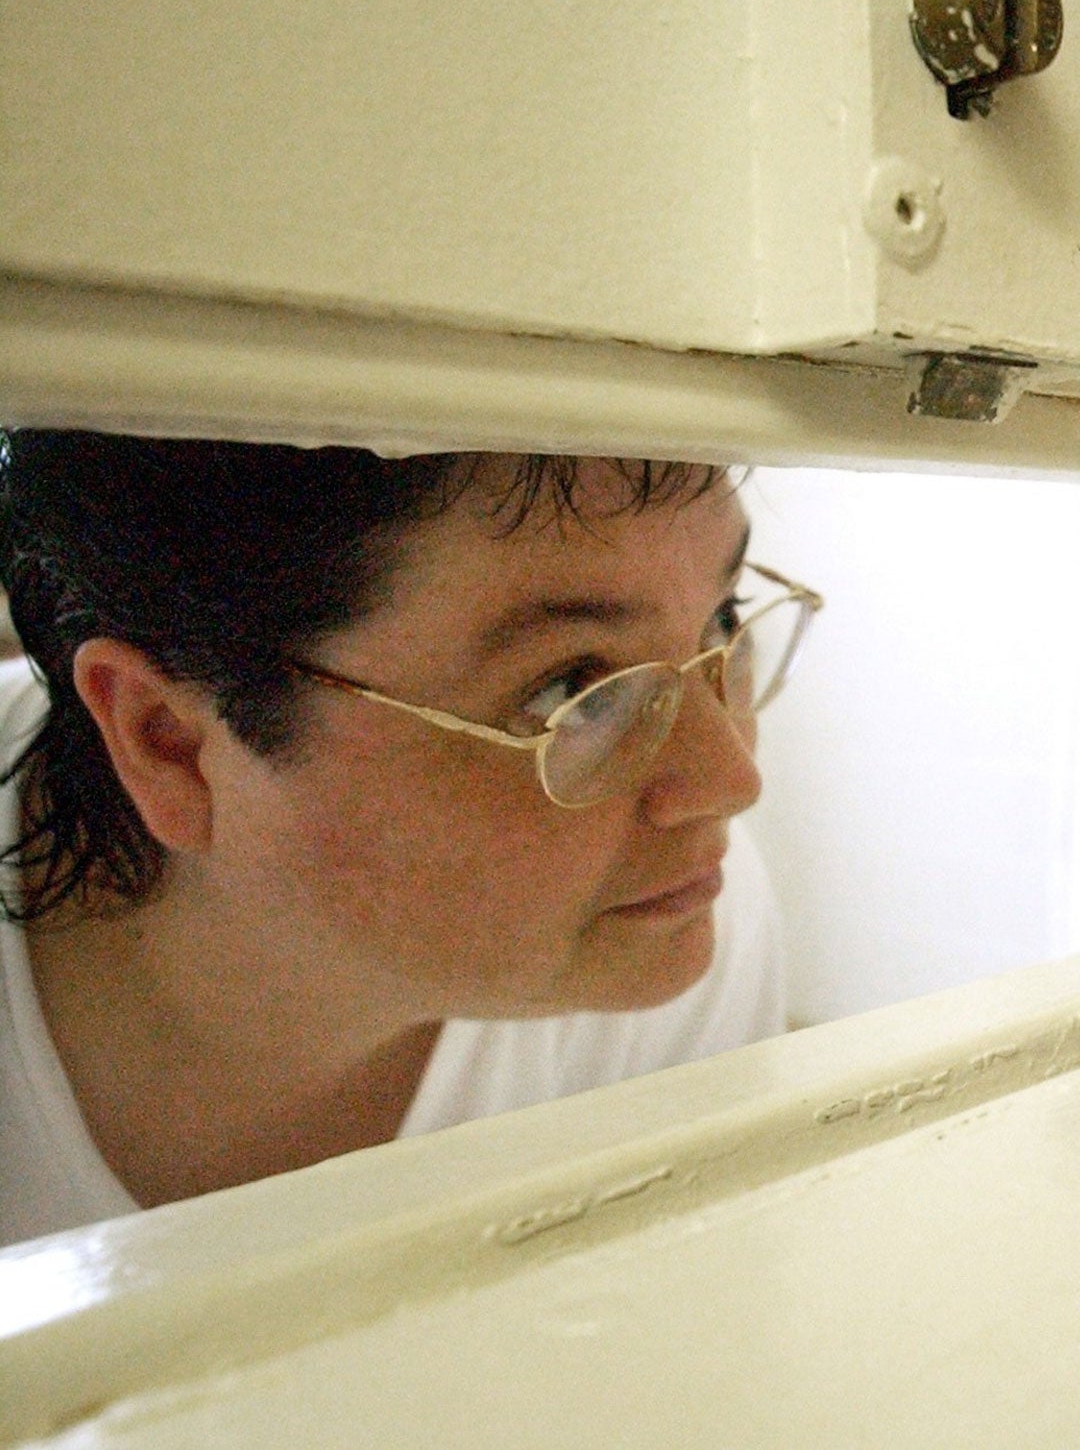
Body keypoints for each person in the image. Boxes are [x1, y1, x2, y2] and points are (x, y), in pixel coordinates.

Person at [0, 429, 818, 1246]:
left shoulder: (674, 917)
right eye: (570, 687)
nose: (732, 781)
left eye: (723, 617)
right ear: (169, 746)